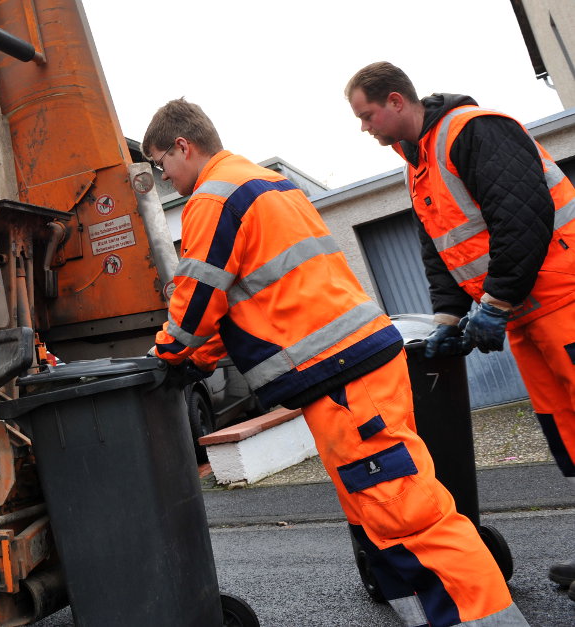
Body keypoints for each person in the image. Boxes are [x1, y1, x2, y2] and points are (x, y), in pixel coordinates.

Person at [144, 98, 527, 626]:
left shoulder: (214, 196)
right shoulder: (262, 183)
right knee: (375, 511)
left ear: (183, 146)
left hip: (342, 374)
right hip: (351, 369)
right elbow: (246, 297)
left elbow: (198, 296)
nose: (164, 175)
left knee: (407, 512)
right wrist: (201, 354)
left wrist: (168, 354)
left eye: (162, 162)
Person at [345, 61, 575, 602]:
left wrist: (493, 302)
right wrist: (449, 320)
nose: (364, 127)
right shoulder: (417, 166)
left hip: (565, 301)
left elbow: (523, 216)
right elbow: (441, 252)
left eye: (366, 114)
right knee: (569, 435)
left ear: (396, 100)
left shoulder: (474, 130)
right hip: (527, 316)